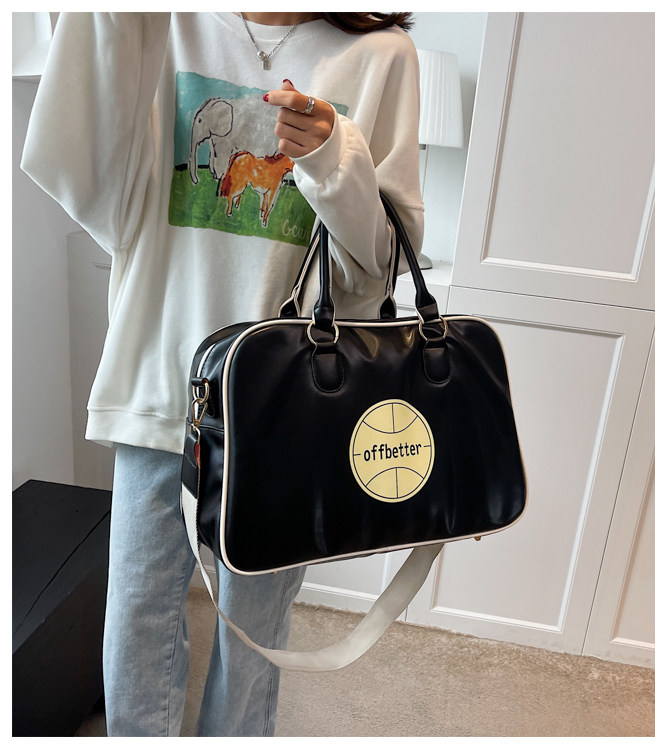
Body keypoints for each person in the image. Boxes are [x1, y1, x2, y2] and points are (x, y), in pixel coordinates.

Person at [21, 11, 423, 737]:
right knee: (135, 622)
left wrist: (333, 157)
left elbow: (380, 265)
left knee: (253, 636)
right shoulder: (158, 22)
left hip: (285, 406)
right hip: (161, 383)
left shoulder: (381, 56)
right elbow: (82, 179)